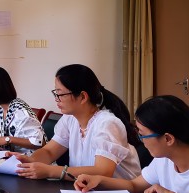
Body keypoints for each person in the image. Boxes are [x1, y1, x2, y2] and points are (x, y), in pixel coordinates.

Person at [9, 64, 141, 181]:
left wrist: (51, 171)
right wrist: (29, 161)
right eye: (55, 93)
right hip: (86, 192)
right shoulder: (70, 119)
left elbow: (103, 171)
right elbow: (49, 152)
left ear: (83, 97)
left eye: (60, 94)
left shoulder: (107, 123)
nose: (56, 99)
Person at [0, 66, 44, 152]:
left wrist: (6, 139)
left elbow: (39, 143)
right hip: (13, 157)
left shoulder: (21, 112)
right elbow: (13, 139)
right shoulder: (2, 112)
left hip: (28, 159)